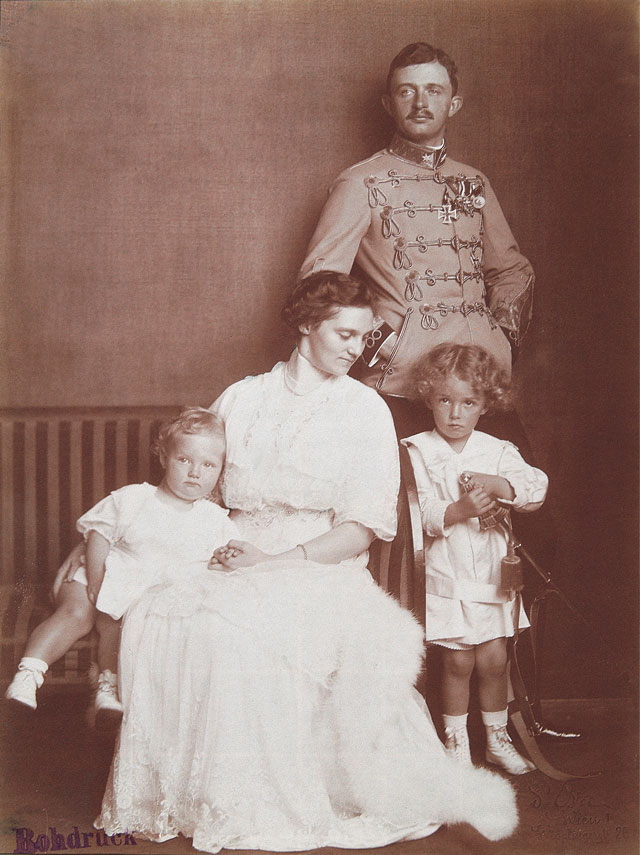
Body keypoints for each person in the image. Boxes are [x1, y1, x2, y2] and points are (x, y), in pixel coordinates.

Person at [93, 272, 518, 852]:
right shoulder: (242, 398)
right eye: (344, 334)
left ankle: (268, 801)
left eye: (363, 338)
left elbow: (362, 530)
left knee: (245, 637)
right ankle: (197, 797)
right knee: (167, 615)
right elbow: (196, 494)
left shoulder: (364, 410)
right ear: (305, 326)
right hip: (226, 550)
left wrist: (274, 560)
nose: (355, 348)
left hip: (318, 563)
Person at [299, 42, 535, 441]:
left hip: (478, 380)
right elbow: (320, 280)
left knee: (510, 493)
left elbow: (512, 271)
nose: (420, 102)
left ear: (453, 104)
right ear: (388, 104)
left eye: (434, 90)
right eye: (406, 91)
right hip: (401, 379)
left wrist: (503, 339)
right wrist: (381, 342)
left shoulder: (473, 181)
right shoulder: (360, 182)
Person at [5, 407, 235, 726]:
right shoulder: (135, 498)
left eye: (208, 464)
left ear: (221, 469)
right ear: (164, 457)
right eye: (184, 460)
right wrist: (98, 581)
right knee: (78, 613)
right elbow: (98, 535)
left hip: (133, 592)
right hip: (92, 574)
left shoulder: (212, 521)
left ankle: (106, 689)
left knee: (119, 623)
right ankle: (28, 676)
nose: (195, 472)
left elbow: (224, 557)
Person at [402, 343, 548, 774]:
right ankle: (455, 742)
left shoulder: (497, 449)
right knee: (458, 659)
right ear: (429, 398)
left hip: (491, 572)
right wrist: (457, 511)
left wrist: (498, 484)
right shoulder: (417, 449)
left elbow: (535, 490)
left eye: (468, 403)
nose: (455, 413)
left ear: (485, 405)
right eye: (444, 400)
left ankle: (497, 738)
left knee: (493, 658)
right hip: (445, 572)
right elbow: (417, 509)